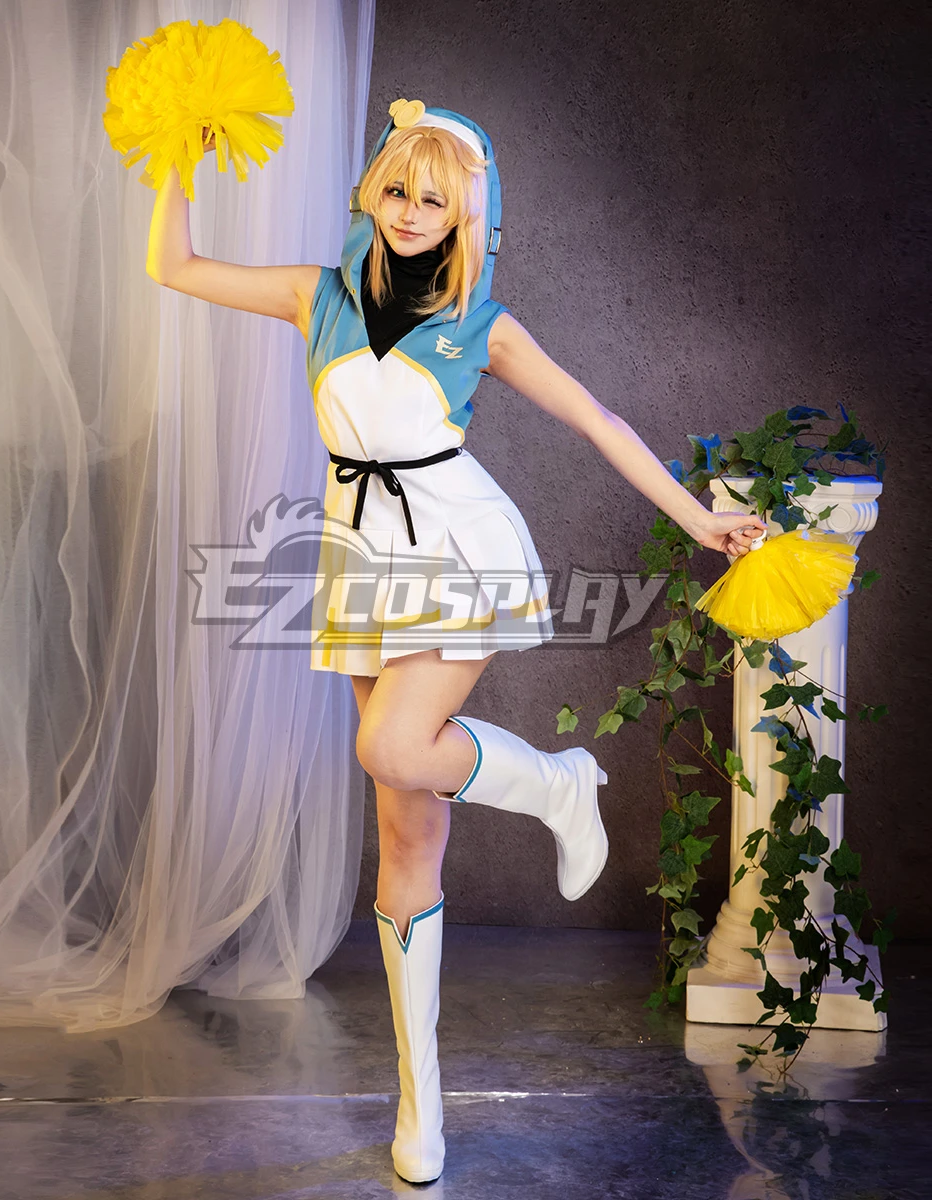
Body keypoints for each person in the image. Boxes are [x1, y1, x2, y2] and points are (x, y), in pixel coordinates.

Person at [146, 98, 767, 1185]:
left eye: (434, 200)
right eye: (396, 189)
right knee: (406, 835)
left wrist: (698, 520)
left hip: (457, 546)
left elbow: (598, 419)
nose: (410, 212)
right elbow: (176, 266)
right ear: (371, 192)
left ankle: (557, 784)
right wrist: (175, 160)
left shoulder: (484, 321)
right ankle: (419, 1103)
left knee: (393, 748)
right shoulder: (318, 296)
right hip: (358, 559)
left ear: (465, 214)